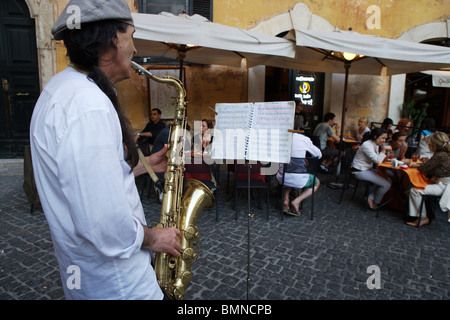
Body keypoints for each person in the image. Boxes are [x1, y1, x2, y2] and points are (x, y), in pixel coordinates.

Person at [29, 0, 180, 300]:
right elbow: (105, 225)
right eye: (132, 37)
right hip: (119, 285)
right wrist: (155, 238)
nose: (135, 49)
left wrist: (140, 165)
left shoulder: (60, 89)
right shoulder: (89, 106)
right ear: (114, 39)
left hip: (92, 281)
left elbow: (79, 183)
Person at [406, 132, 450, 227]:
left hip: (446, 186)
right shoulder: (444, 153)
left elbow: (424, 168)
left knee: (415, 191)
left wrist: (415, 165)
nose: (428, 146)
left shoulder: (440, 155)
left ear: (434, 145)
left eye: (429, 144)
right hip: (443, 183)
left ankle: (422, 217)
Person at [277, 133, 322, 216]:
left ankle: (286, 200)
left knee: (288, 174)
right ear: (298, 129)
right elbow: (318, 155)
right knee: (316, 183)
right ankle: (297, 201)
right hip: (298, 177)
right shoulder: (304, 139)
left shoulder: (280, 137)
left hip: (283, 177)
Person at [351, 128, 392, 210]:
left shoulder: (375, 144)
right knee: (387, 184)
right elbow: (377, 160)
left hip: (367, 169)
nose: (384, 140)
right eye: (383, 138)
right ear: (375, 136)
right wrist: (383, 150)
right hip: (359, 171)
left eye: (385, 138)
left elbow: (377, 159)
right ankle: (375, 201)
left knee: (389, 178)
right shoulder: (367, 145)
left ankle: (370, 196)